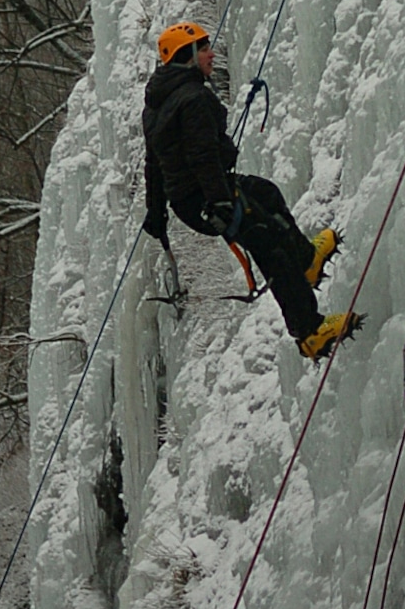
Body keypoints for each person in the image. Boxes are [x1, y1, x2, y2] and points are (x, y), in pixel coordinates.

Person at [141, 21, 360, 361]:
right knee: (269, 245)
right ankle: (309, 331)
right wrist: (220, 203)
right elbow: (203, 157)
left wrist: (155, 213)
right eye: (204, 49)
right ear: (188, 56)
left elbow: (153, 163)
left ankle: (307, 260)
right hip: (207, 197)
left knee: (267, 193)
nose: (212, 54)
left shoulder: (156, 105)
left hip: (194, 197)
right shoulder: (193, 98)